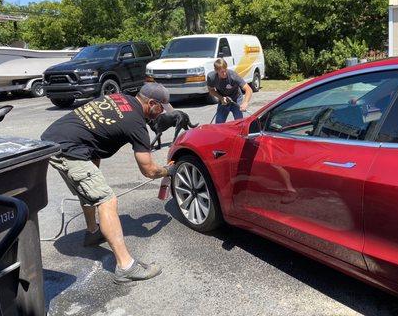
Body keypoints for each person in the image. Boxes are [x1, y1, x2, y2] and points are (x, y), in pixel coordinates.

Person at [41, 83, 177, 285]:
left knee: (89, 191)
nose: (161, 114)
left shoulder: (120, 99)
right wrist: (168, 171)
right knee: (106, 200)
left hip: (55, 140)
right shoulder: (136, 123)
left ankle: (93, 233)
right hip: (68, 150)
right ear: (151, 103)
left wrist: (92, 170)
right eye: (161, 109)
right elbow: (148, 170)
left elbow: (94, 133)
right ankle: (126, 267)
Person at [207, 58, 252, 123]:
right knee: (219, 123)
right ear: (216, 71)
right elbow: (211, 90)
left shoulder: (233, 76)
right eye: (222, 72)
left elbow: (248, 89)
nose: (225, 73)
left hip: (236, 98)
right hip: (223, 100)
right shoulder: (211, 77)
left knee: (239, 122)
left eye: (225, 70)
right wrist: (221, 98)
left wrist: (245, 103)